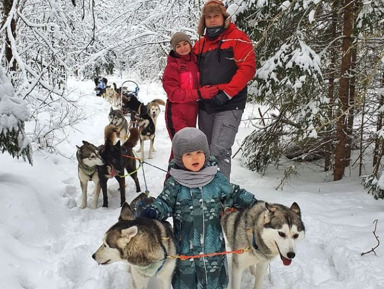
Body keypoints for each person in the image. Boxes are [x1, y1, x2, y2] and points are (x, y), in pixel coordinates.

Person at [140, 127, 258, 289]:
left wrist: (254, 203)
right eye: (188, 154)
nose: (195, 158)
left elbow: (234, 193)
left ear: (206, 153)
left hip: (213, 247)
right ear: (180, 158)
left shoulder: (216, 179)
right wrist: (154, 211)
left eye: (199, 152)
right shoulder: (175, 183)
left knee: (214, 281)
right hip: (185, 248)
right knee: (186, 282)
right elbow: (165, 202)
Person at [193, 0, 256, 181]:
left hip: (230, 103)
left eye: (216, 16)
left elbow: (248, 68)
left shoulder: (238, 38)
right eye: (208, 17)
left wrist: (227, 93)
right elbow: (190, 70)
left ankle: (221, 197)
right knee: (204, 151)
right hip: (206, 105)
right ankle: (205, 191)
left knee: (219, 150)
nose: (212, 20)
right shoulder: (200, 45)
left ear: (224, 18)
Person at [162, 32, 218, 141]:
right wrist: (199, 93)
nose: (183, 48)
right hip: (176, 113)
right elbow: (173, 94)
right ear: (174, 49)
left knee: (190, 149)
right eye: (178, 46)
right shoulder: (172, 67)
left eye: (185, 44)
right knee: (182, 148)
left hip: (192, 112)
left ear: (190, 44)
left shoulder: (196, 63)